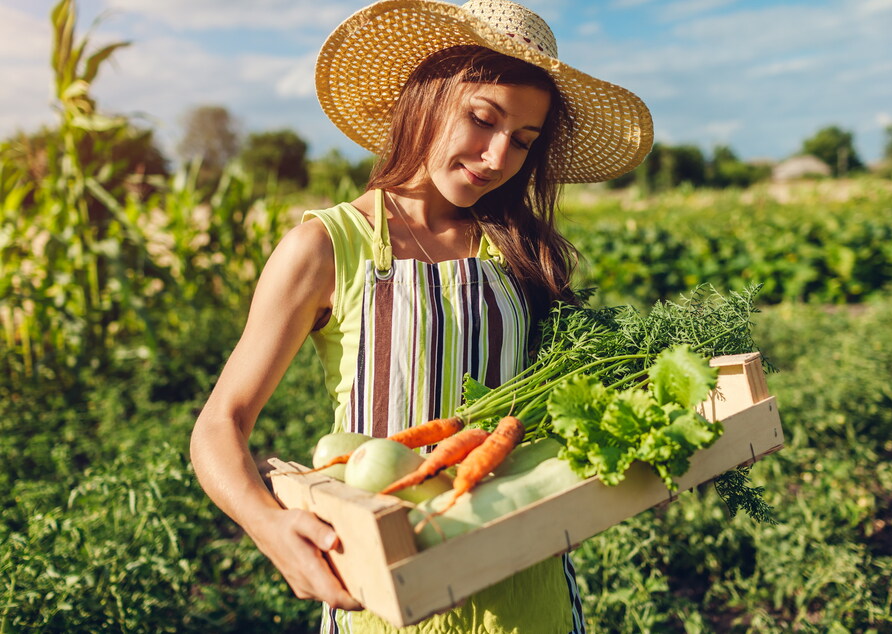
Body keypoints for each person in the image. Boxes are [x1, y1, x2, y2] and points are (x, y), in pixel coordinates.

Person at [190, 0, 652, 632]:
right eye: (482, 119)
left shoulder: (522, 251)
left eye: (522, 141)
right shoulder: (328, 247)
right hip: (385, 589)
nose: (496, 157)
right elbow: (219, 425)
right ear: (426, 99)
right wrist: (269, 526)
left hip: (526, 588)